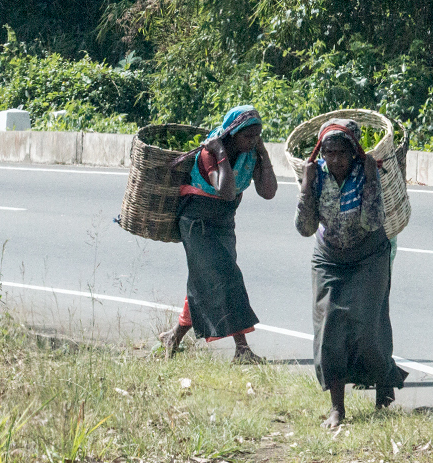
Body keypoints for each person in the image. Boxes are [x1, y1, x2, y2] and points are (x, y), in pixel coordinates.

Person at [294, 118, 408, 428]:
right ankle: (337, 409)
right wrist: (306, 186)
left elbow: (373, 223)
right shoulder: (316, 175)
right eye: (328, 152)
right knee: (329, 326)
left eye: (342, 153)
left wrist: (371, 180)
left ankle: (385, 378)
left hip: (369, 254)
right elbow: (304, 229)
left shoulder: (367, 173)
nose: (334, 160)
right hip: (328, 256)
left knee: (366, 327)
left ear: (355, 152)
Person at [159, 105, 278, 363]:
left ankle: (173, 337)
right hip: (197, 221)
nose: (253, 141)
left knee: (205, 282)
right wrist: (221, 153)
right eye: (248, 136)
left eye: (258, 136)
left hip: (223, 221)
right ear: (232, 134)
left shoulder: (251, 154)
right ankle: (243, 350)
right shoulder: (209, 154)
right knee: (227, 277)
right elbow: (225, 190)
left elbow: (268, 192)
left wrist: (263, 154)